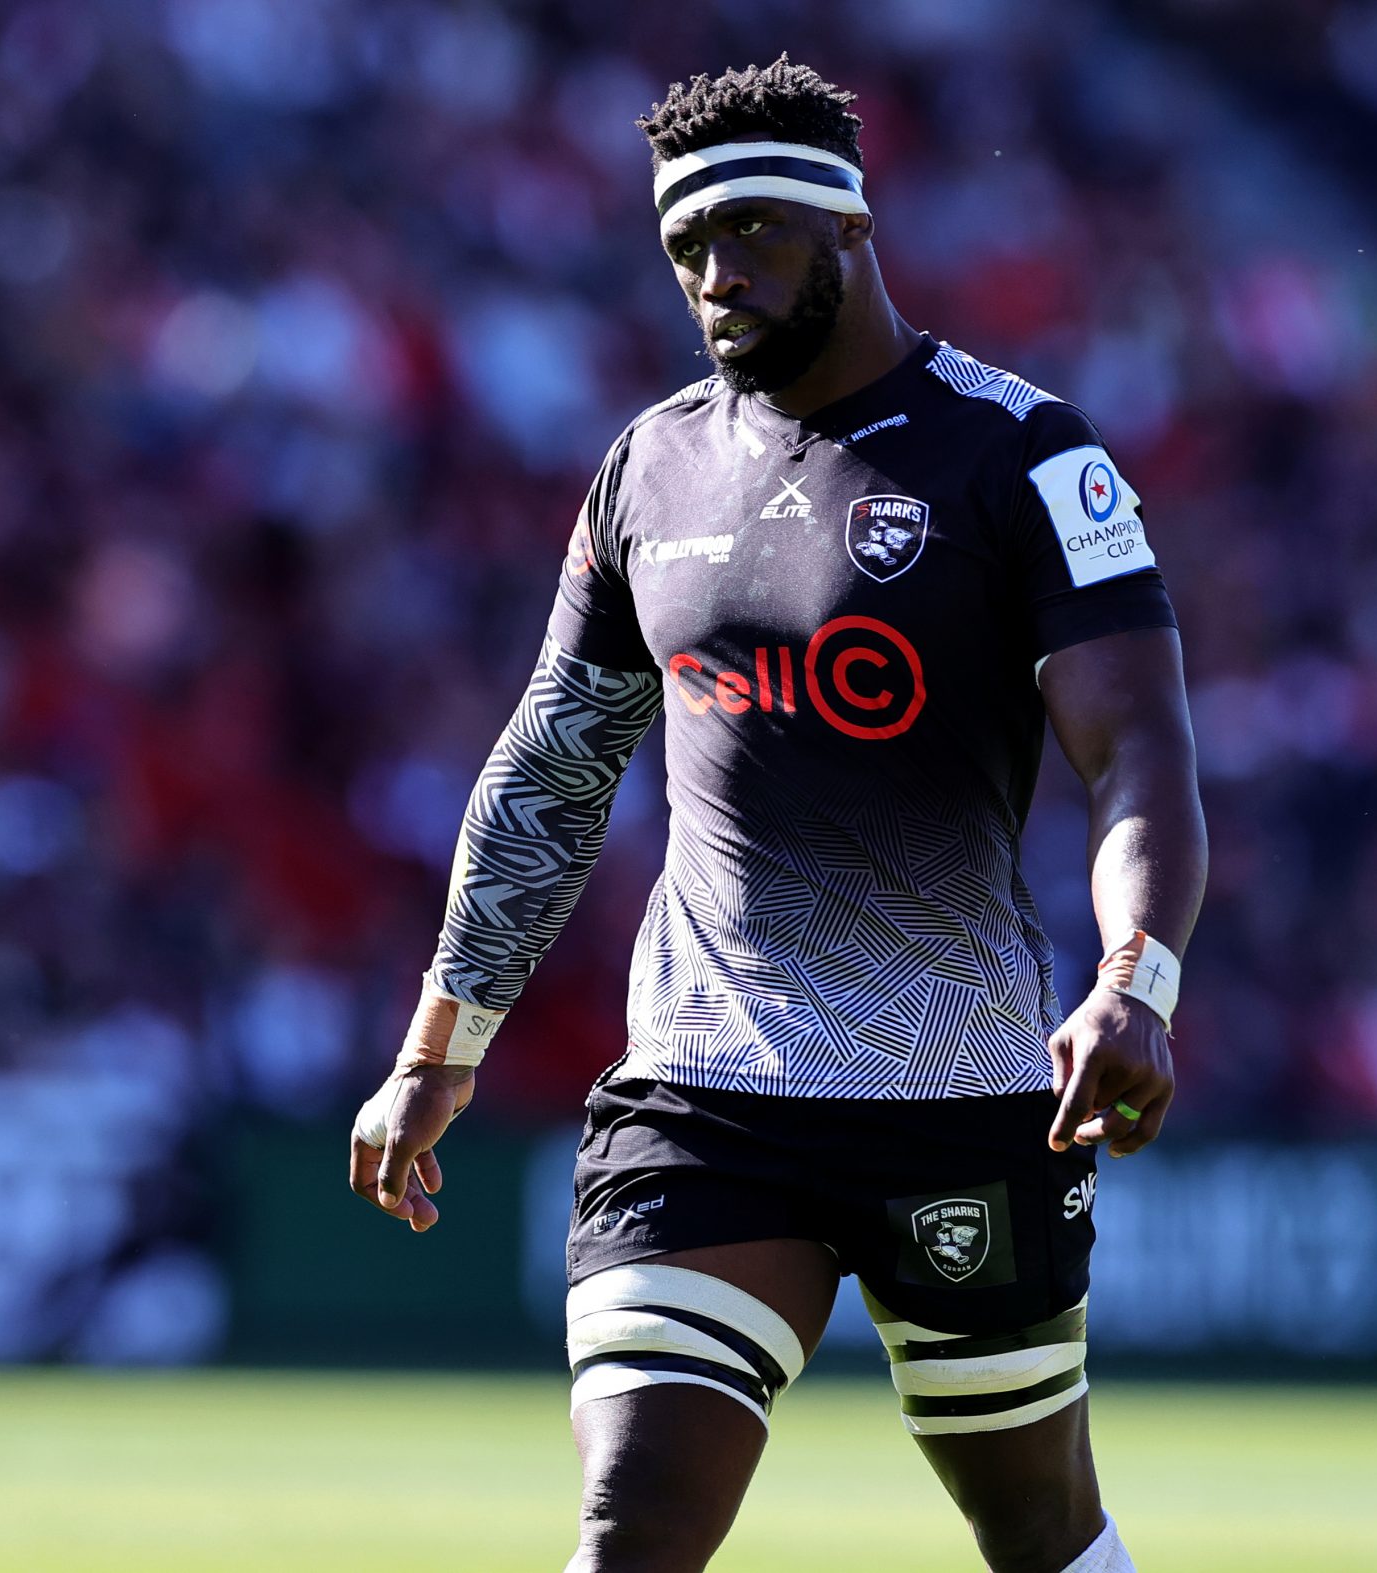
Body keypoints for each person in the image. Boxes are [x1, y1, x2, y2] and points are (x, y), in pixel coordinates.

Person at [348, 56, 1205, 1573]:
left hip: (959, 1092)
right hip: (704, 1093)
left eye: (751, 233)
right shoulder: (648, 468)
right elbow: (551, 765)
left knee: (1041, 1536)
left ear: (852, 231)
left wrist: (1138, 971)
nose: (714, 275)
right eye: (686, 248)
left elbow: (1135, 745)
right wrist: (437, 1048)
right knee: (634, 1528)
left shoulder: (1023, 454)